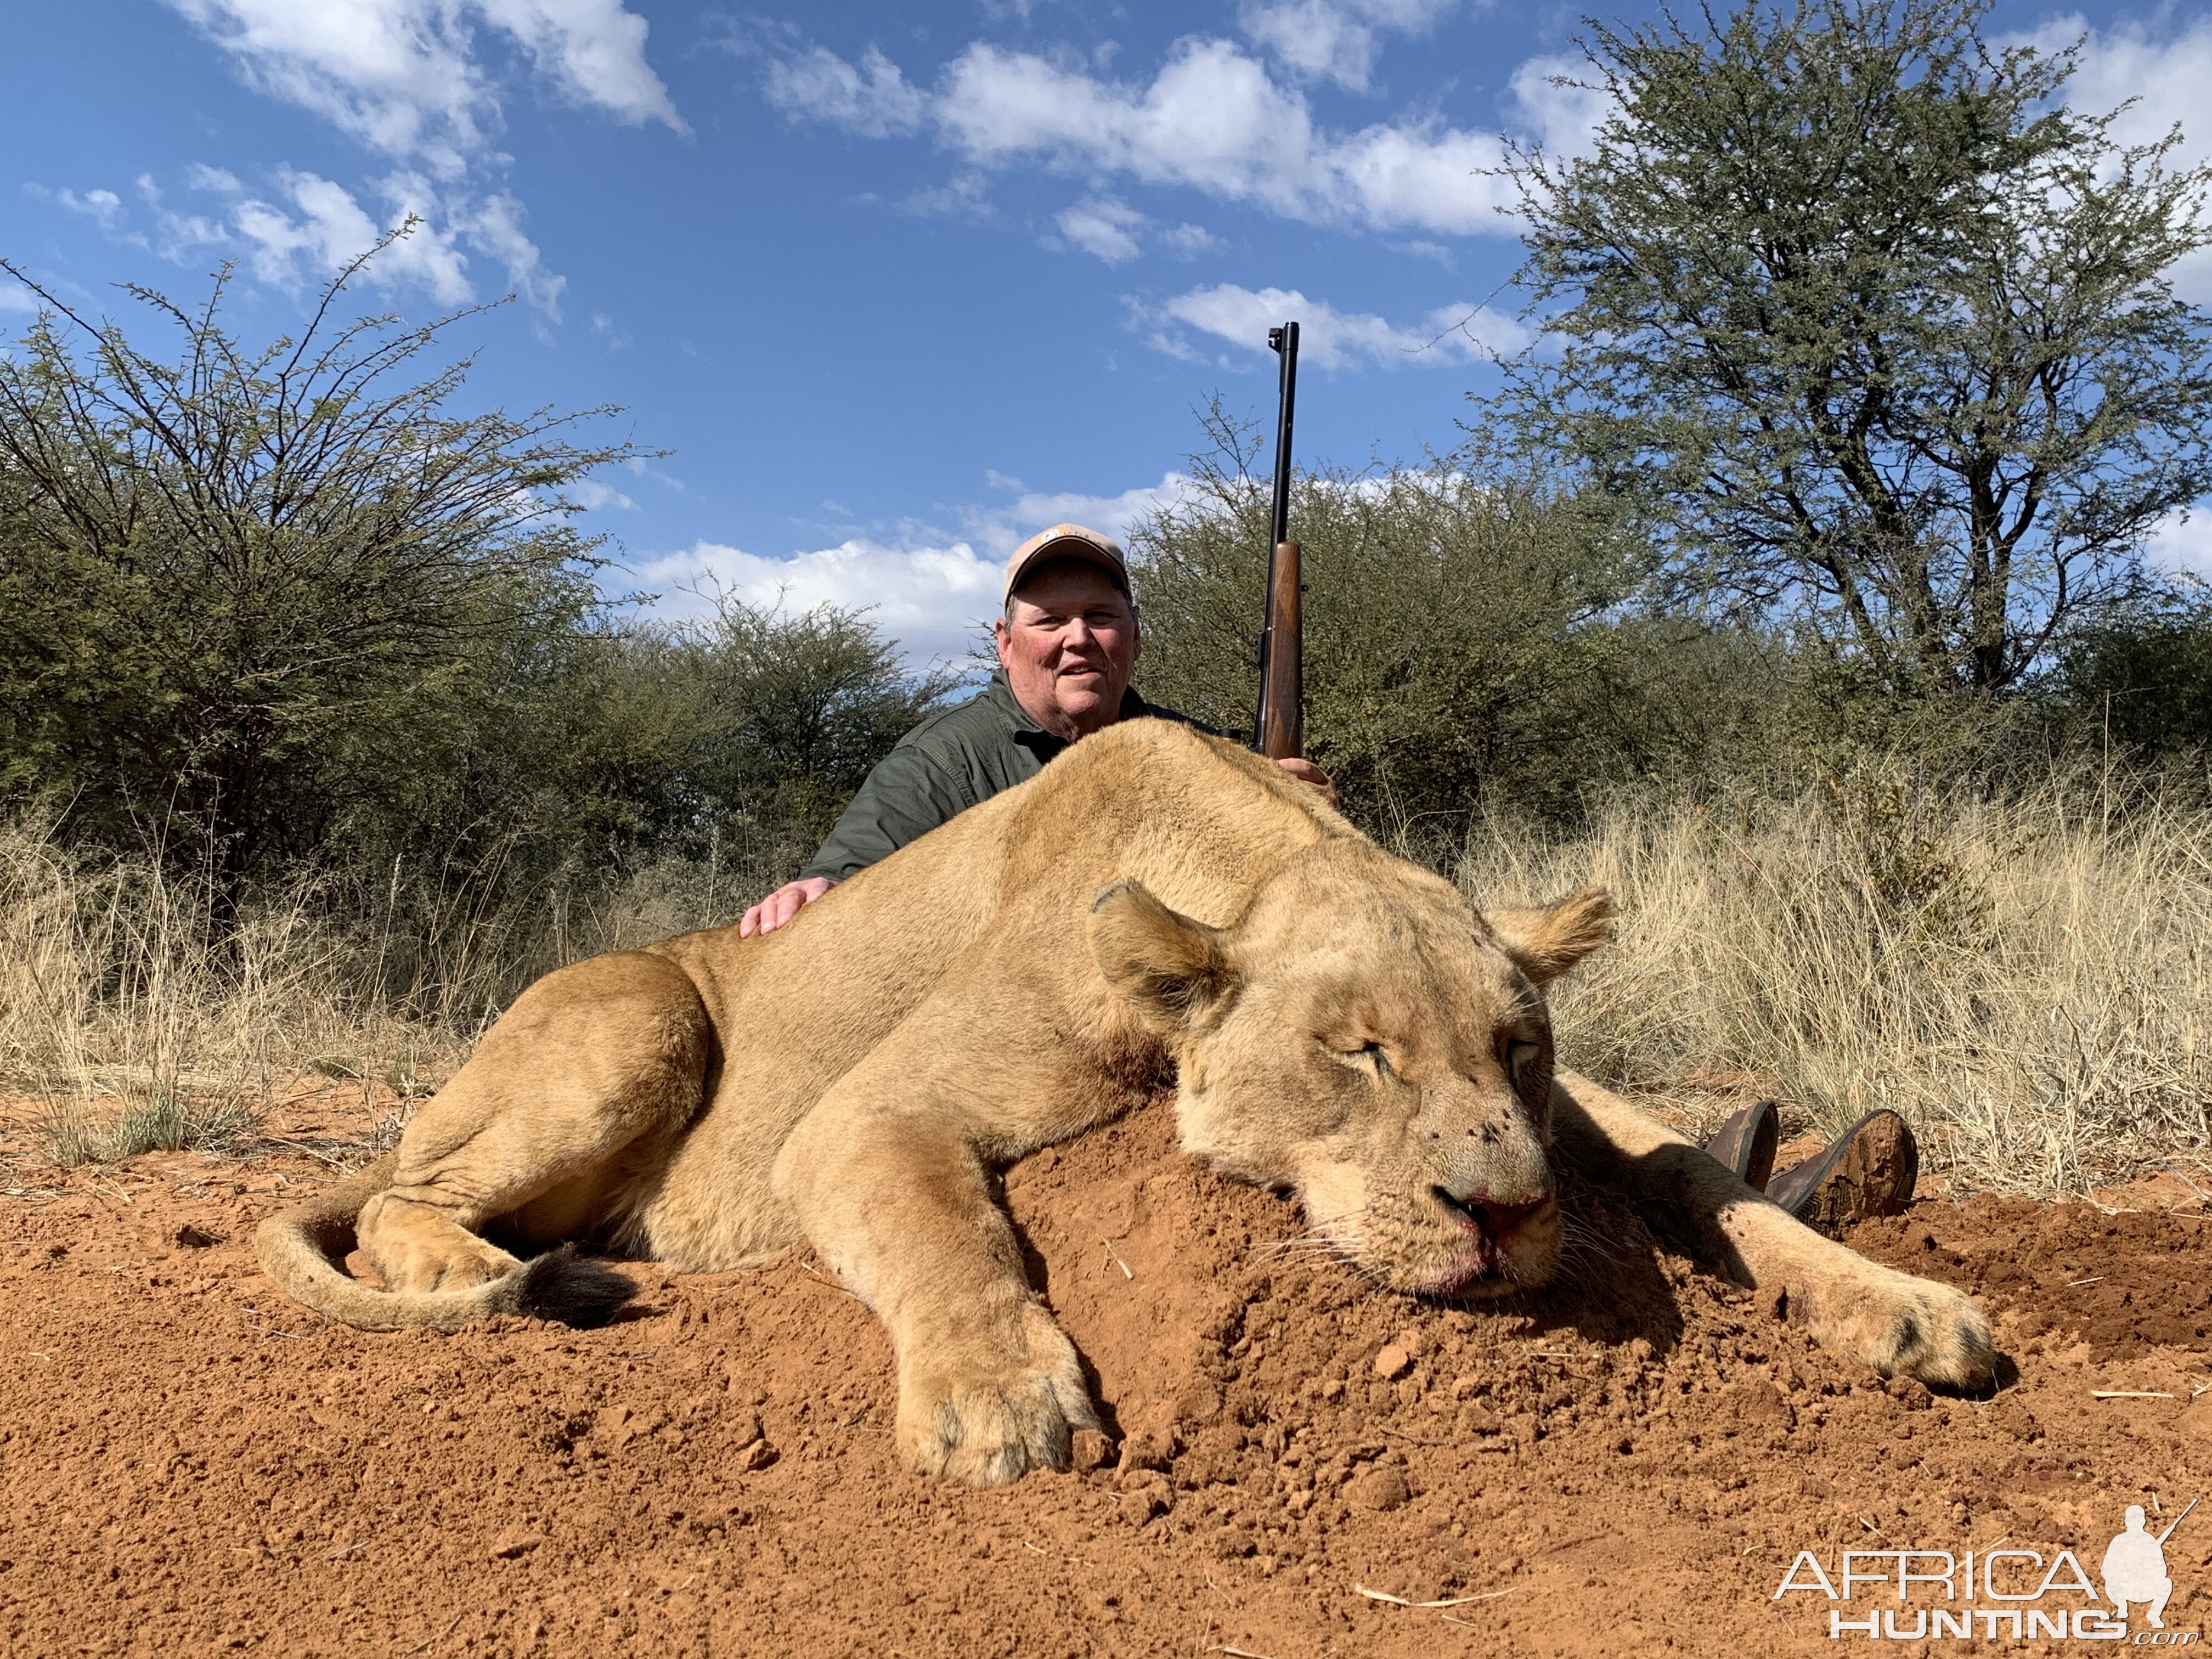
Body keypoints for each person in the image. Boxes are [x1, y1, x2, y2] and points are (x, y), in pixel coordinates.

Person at [740, 523, 1331, 936]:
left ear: (1136, 638)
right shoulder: (946, 759)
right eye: (1050, 620)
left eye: (1100, 617)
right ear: (1004, 643)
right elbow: (850, 869)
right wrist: (815, 888)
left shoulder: (1202, 754)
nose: (1078, 637)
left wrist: (1300, 809)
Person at [2103, 1505, 2174, 1628]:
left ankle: (2154, 1615)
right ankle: (2122, 1606)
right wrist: (2124, 1571)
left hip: (2144, 1587)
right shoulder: (2119, 1541)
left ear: (2143, 1522)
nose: (2135, 1523)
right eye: (2132, 1520)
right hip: (2123, 1588)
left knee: (2166, 1583)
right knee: (2112, 1582)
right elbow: (2106, 1569)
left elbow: (2162, 1570)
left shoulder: (2150, 1541)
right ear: (2126, 1522)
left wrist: (2145, 1569)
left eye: (2138, 1520)